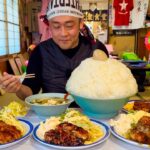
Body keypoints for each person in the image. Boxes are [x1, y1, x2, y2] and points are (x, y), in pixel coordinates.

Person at [0, 0, 108, 104]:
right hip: (52, 116)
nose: (63, 33)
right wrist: (18, 88)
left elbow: (109, 87)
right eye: (56, 26)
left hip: (91, 115)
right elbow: (30, 92)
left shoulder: (96, 49)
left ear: (80, 23)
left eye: (69, 26)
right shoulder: (40, 52)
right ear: (49, 26)